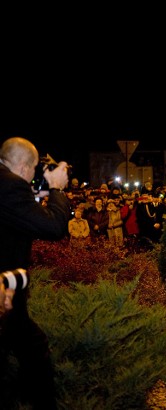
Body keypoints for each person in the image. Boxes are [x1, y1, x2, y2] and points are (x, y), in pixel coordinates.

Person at [0, 136, 71, 408]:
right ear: (22, 166)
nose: (31, 177)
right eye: (31, 171)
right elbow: (53, 228)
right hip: (5, 293)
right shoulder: (10, 185)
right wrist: (56, 190)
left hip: (8, 294)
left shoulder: (5, 182)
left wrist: (34, 198)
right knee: (34, 347)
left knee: (27, 346)